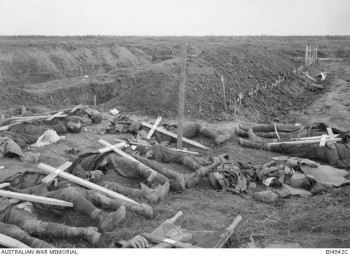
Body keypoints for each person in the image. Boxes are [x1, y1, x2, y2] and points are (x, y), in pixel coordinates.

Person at [1, 170, 153, 218]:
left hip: (74, 188)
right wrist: (45, 184)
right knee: (77, 194)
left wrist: (53, 179)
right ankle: (103, 217)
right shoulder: (33, 188)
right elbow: (20, 194)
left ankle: (137, 208)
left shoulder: (49, 175)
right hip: (61, 195)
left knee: (99, 196)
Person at [0, 197, 101, 247]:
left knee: (36, 225)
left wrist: (12, 201)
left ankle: (85, 232)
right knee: (15, 233)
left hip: (7, 210)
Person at [238, 136, 350, 169]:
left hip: (316, 151)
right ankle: (258, 139)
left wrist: (331, 147)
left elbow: (336, 163)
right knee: (291, 140)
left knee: (286, 147)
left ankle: (251, 144)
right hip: (322, 142)